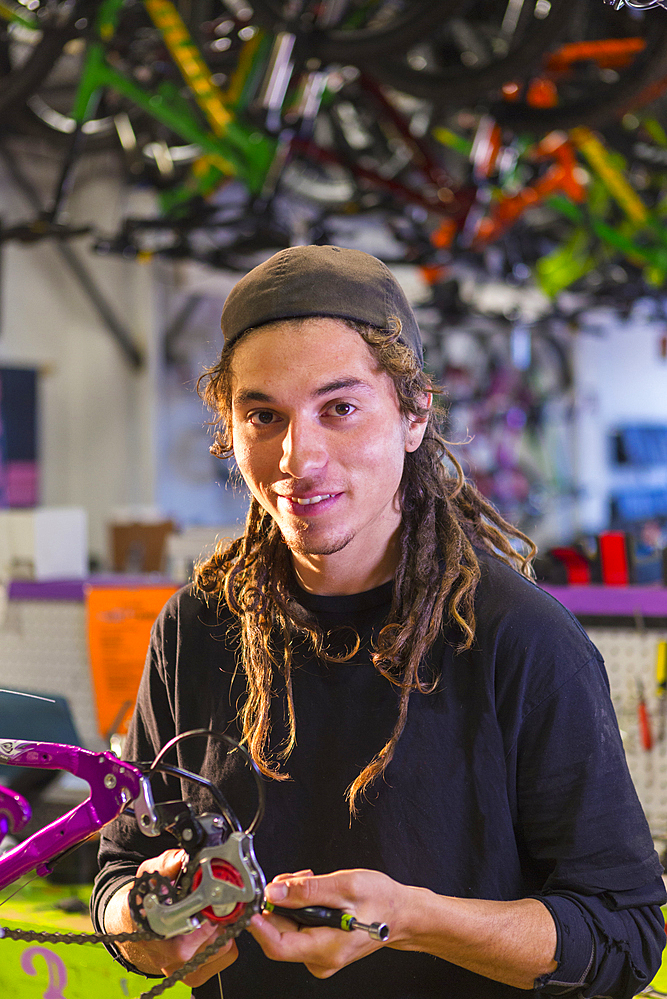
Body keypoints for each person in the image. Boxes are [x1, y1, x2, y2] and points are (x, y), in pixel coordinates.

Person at [92, 245, 667, 999]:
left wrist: (418, 919)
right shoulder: (195, 627)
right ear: (229, 430)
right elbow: (117, 869)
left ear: (413, 414)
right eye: (263, 415)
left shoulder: (519, 639)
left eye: (340, 408)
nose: (300, 457)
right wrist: (146, 924)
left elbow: (623, 938)